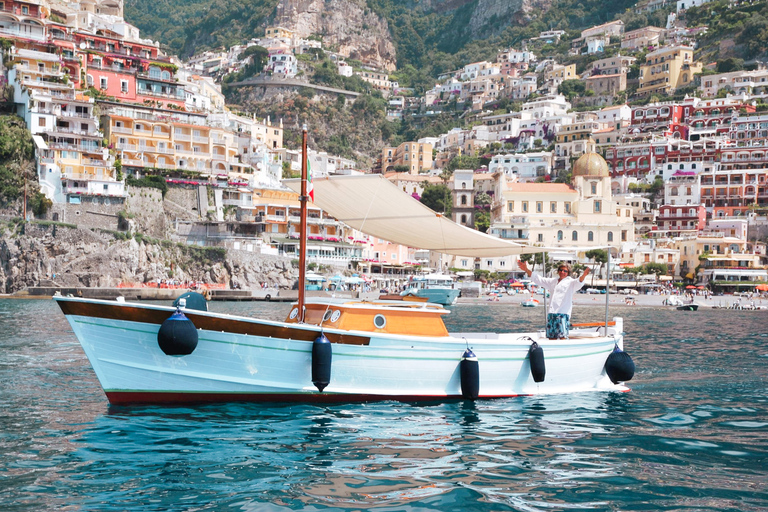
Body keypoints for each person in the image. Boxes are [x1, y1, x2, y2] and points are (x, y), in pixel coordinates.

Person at [517, 260, 590, 339]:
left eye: (565, 271)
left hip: (563, 314)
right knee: (551, 336)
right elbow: (539, 279)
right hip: (551, 313)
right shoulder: (553, 281)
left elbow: (579, 281)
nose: (562, 272)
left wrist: (584, 275)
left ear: (568, 272)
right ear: (558, 271)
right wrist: (526, 270)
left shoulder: (571, 282)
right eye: (560, 270)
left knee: (563, 337)